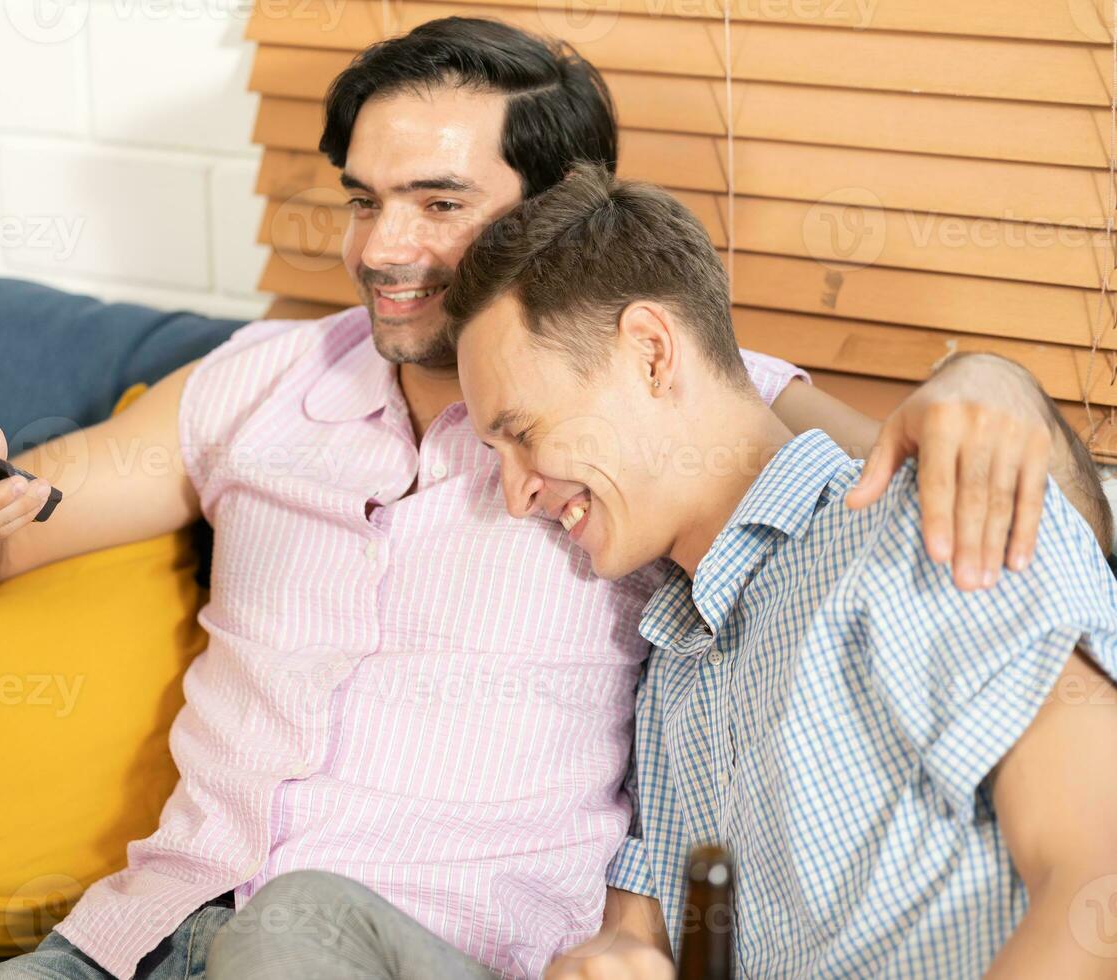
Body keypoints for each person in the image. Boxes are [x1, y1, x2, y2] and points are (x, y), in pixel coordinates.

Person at [0, 19, 1092, 980]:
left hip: (415, 947)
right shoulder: (258, 385)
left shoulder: (695, 419)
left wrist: (997, 381)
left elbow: (963, 514)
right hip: (141, 931)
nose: (380, 249)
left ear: (558, 216)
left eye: (440, 202)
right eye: (363, 200)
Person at [443, 163, 1117, 977]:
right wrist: (617, 955)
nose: (516, 497)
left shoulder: (923, 518)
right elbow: (641, 938)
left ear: (652, 354)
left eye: (523, 432)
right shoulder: (672, 677)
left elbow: (1098, 878)